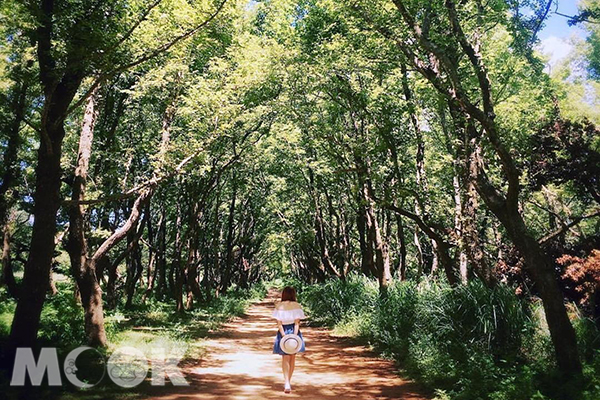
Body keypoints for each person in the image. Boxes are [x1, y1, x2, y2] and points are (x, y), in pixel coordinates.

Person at [272, 286, 306, 393]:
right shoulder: (297, 306)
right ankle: (288, 381)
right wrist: (294, 336)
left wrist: (284, 336)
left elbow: (279, 324)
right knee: (292, 358)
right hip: (293, 331)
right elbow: (297, 323)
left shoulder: (279, 306)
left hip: (283, 332)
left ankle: (287, 382)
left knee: (285, 358)